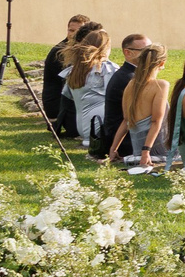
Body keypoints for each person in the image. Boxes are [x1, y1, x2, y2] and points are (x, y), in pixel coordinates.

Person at [56, 26, 112, 153]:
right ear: (105, 48)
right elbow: (115, 95)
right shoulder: (105, 68)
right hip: (99, 126)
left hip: (82, 127)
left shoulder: (75, 70)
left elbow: (67, 94)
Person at [118, 43, 171, 173]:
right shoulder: (161, 85)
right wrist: (146, 152)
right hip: (156, 151)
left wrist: (113, 150)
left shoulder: (131, 84)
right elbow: (156, 121)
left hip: (137, 151)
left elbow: (125, 121)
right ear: (162, 63)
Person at [91, 34, 142, 162]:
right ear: (128, 53)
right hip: (125, 143)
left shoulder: (128, 74)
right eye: (145, 51)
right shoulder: (129, 78)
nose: (150, 55)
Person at [40, 14, 85, 139]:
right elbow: (72, 86)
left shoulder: (78, 49)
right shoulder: (60, 52)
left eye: (78, 31)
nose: (73, 34)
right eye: (71, 30)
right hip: (57, 106)